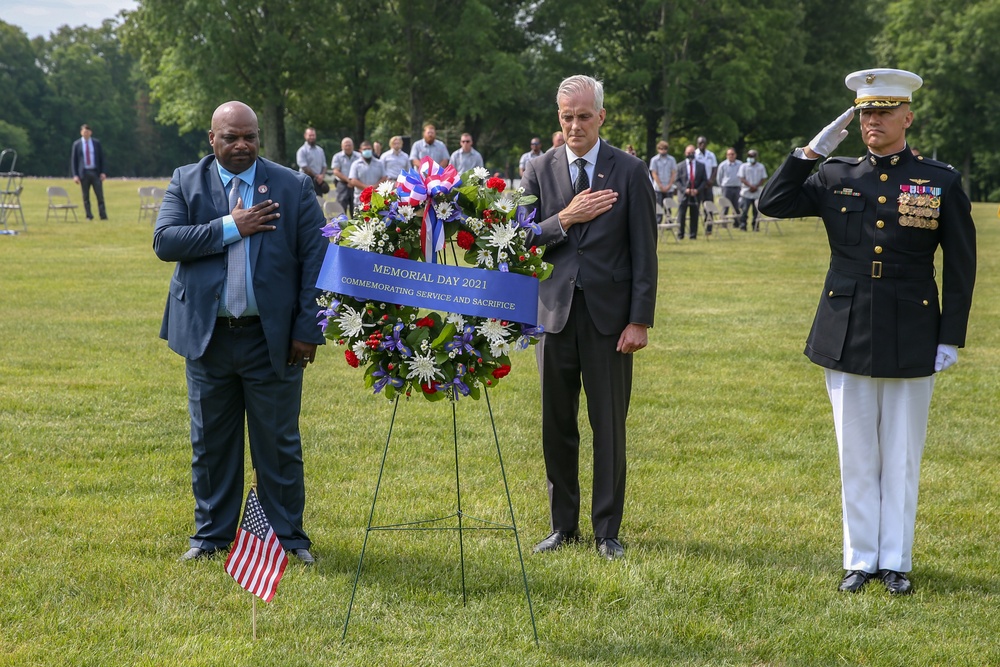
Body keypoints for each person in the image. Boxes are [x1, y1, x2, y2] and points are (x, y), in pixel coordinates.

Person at [758, 69, 976, 595]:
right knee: (854, 452)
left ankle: (896, 559)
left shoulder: (938, 179)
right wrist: (810, 151)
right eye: (865, 113)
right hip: (847, 324)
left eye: (883, 111)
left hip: (912, 325)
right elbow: (772, 204)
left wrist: (950, 336)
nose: (873, 121)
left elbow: (962, 264)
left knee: (901, 452)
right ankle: (860, 559)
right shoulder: (835, 175)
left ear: (907, 116)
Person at [153, 100, 327, 566]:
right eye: (231, 137)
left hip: (271, 338)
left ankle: (288, 537)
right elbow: (165, 241)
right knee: (210, 441)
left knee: (278, 441)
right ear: (212, 139)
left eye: (249, 136)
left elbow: (316, 260)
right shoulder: (186, 180)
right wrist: (232, 226)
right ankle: (211, 536)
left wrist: (306, 329)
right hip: (207, 337)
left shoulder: (291, 186)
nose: (242, 145)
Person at [522, 75, 657, 561]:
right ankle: (563, 526)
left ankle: (607, 531)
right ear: (557, 118)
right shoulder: (538, 169)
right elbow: (521, 242)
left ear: (601, 116)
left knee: (608, 426)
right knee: (556, 425)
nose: (574, 125)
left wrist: (639, 319)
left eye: (583, 116)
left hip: (610, 322)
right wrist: (567, 218)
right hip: (553, 318)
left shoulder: (630, 170)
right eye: (566, 117)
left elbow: (645, 251)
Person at [70, 124, 107, 220]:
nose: (86, 133)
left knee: (99, 195)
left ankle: (103, 215)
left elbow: (101, 158)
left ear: (90, 132)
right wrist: (75, 175)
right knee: (86, 196)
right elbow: (74, 161)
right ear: (81, 132)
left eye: (87, 131)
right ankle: (89, 215)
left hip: (95, 172)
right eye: (84, 131)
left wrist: (103, 172)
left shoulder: (96, 143)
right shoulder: (77, 144)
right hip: (84, 173)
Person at [674, 145, 707, 239]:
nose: (690, 154)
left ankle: (693, 235)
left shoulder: (701, 165)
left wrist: (697, 190)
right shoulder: (680, 166)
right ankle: (681, 234)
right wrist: (685, 190)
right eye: (689, 153)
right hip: (684, 194)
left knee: (694, 215)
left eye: (692, 153)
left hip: (696, 193)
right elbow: (677, 180)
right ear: (685, 153)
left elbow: (704, 180)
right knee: (682, 215)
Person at [348, 140, 387, 208]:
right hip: (360, 201)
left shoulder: (379, 163)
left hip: (377, 200)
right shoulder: (356, 164)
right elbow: (353, 180)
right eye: (364, 149)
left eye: (369, 149)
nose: (367, 151)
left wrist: (374, 187)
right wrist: (367, 188)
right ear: (360, 150)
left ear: (372, 149)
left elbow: (384, 177)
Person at [736, 149, 767, 230]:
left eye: (752, 156)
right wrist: (750, 186)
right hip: (746, 192)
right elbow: (742, 178)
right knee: (744, 210)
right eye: (749, 156)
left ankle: (755, 226)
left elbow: (763, 178)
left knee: (756, 211)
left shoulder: (760, 166)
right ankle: (743, 225)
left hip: (757, 193)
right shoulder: (743, 166)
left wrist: (756, 186)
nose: (750, 158)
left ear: (755, 157)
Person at [648, 140, 677, 224]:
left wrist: (669, 185)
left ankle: (668, 221)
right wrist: (660, 185)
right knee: (658, 206)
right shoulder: (654, 160)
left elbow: (673, 173)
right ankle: (657, 222)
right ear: (658, 149)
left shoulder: (672, 159)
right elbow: (654, 173)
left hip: (669, 187)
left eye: (664, 149)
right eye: (661, 149)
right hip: (658, 187)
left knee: (668, 207)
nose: (663, 150)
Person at [295, 127, 329, 197]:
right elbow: (304, 167)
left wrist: (322, 176)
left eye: (313, 135)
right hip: (305, 181)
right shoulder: (301, 151)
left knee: (319, 203)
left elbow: (324, 165)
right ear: (305, 136)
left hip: (318, 182)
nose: (312, 137)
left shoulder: (320, 150)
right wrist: (317, 176)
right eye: (310, 135)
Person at [331, 137, 360, 216]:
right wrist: (348, 180)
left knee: (356, 208)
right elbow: (336, 171)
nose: (348, 147)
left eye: (349, 145)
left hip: (356, 184)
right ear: (342, 146)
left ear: (353, 146)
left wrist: (354, 182)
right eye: (346, 145)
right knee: (341, 207)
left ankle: (356, 226)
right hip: (342, 184)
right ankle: (340, 226)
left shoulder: (359, 156)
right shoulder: (337, 156)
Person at [716, 148, 743, 216]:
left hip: (737, 187)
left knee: (737, 206)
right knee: (725, 206)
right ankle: (724, 222)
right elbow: (719, 178)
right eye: (729, 154)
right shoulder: (722, 165)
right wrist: (722, 187)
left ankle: (736, 222)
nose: (731, 156)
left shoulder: (740, 164)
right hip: (726, 188)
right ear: (726, 155)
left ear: (735, 155)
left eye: (732, 154)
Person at [694, 136, 718, 200]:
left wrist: (711, 180)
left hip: (708, 183)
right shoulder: (694, 154)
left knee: (709, 204)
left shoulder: (711, 155)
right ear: (697, 144)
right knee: (697, 204)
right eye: (700, 143)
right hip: (698, 184)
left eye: (704, 143)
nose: (702, 144)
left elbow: (714, 168)